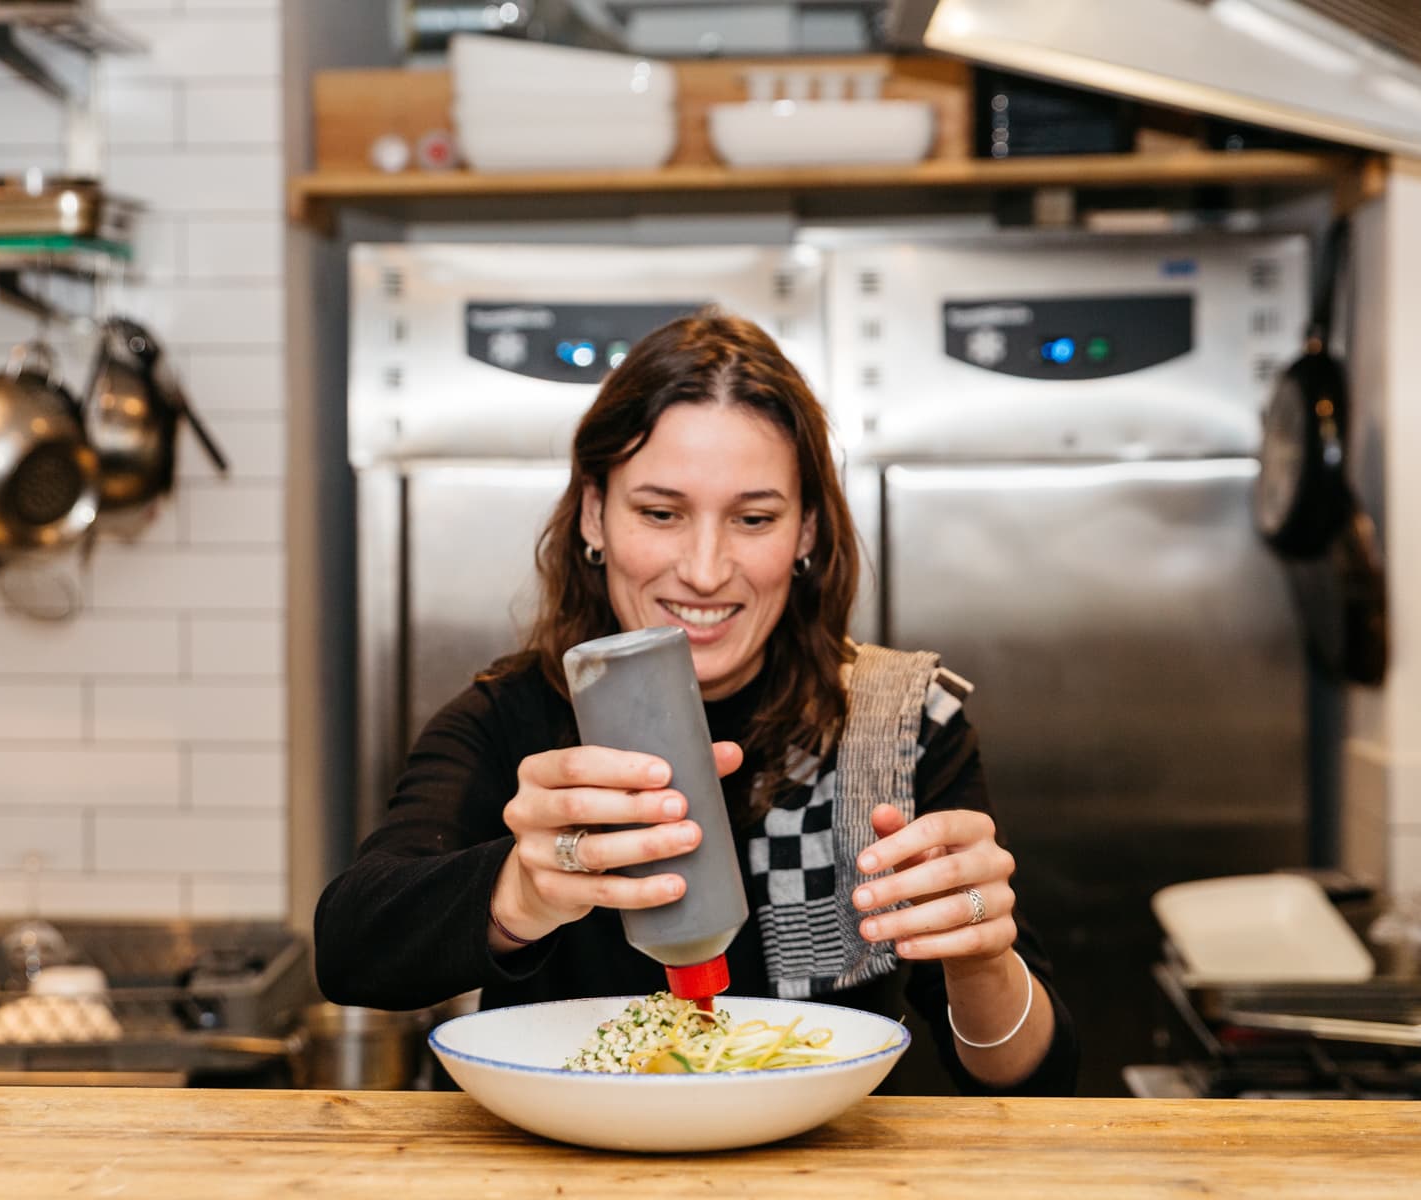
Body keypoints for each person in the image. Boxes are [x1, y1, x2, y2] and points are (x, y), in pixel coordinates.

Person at [315, 310, 1078, 1094]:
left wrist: (981, 956)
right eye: (660, 512)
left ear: (807, 530)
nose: (706, 571)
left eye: (754, 518)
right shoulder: (516, 721)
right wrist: (521, 888)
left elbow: (1034, 1079)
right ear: (593, 517)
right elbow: (350, 951)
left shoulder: (898, 726)